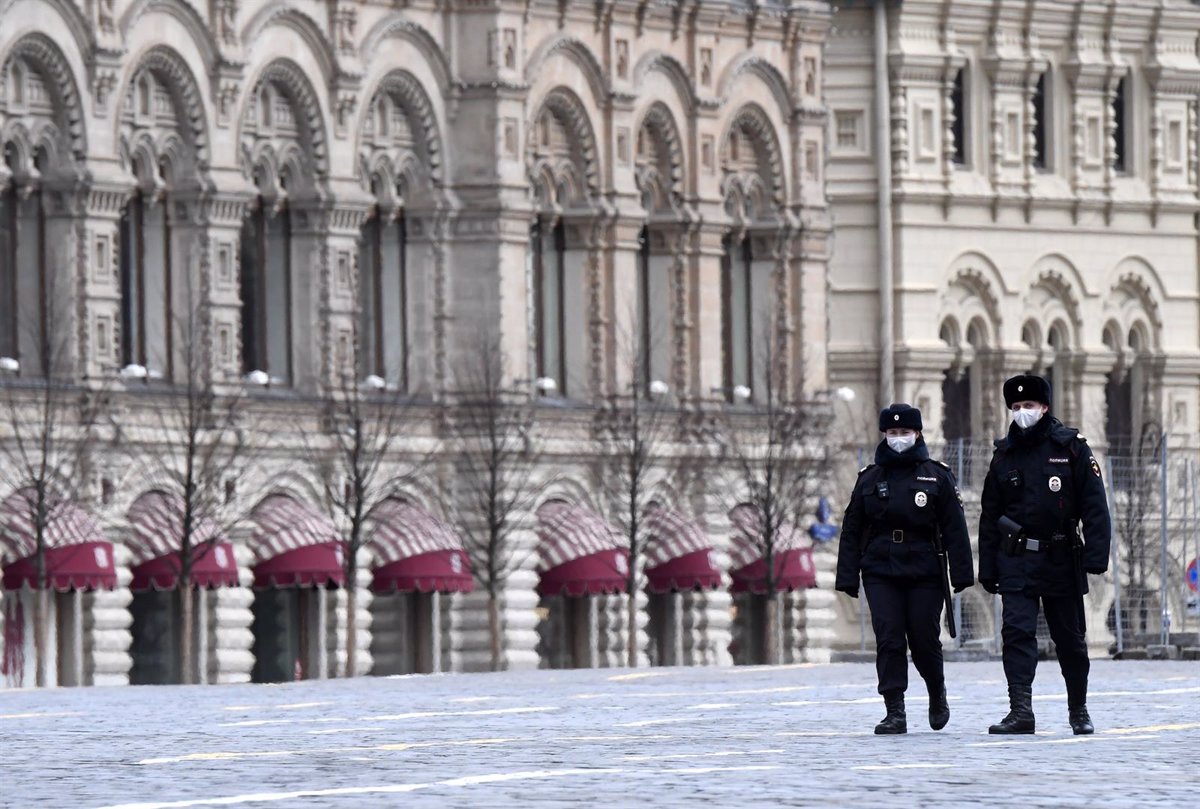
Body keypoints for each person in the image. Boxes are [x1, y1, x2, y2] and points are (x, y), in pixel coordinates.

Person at [978, 375, 1112, 735]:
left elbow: (1095, 506)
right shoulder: (1003, 456)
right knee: (1017, 634)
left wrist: (1096, 556)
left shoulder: (1071, 448)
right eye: (1017, 407)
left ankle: (1078, 709)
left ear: (1045, 407)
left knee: (1069, 639)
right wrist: (987, 567)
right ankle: (1020, 710)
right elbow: (989, 515)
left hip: (1060, 556)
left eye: (1030, 406)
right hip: (1016, 559)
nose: (1023, 413)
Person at [836, 403, 974, 734]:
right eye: (893, 433)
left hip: (924, 567)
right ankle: (894, 710)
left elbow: (955, 528)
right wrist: (847, 576)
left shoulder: (936, 476)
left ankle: (936, 691)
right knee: (889, 638)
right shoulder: (869, 478)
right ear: (885, 435)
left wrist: (962, 574)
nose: (899, 438)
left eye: (905, 432)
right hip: (880, 568)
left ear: (918, 434)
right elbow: (852, 528)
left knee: (924, 639)